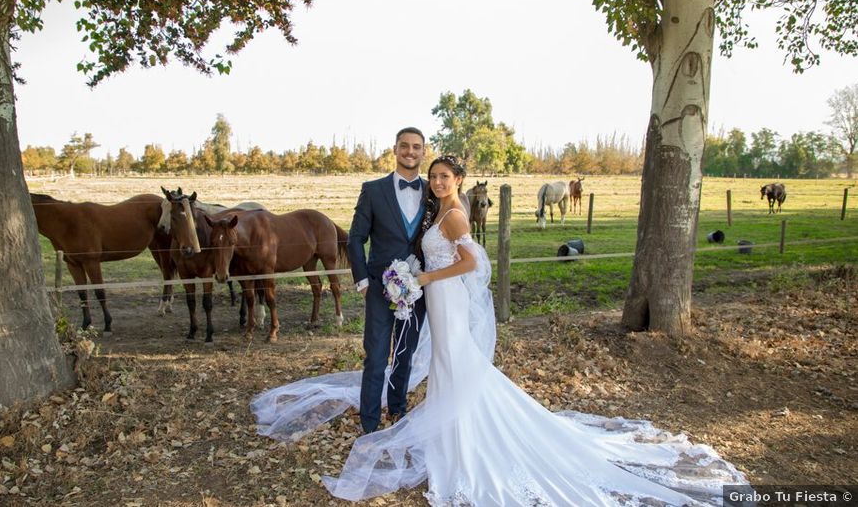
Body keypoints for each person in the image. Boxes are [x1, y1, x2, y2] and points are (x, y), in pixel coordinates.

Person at [320, 155, 748, 505]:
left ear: (459, 179)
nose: (436, 181)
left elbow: (472, 263)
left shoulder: (454, 214)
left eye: (443, 176)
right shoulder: (442, 209)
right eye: (433, 176)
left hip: (444, 295)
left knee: (455, 361)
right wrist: (416, 275)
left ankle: (466, 440)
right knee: (447, 363)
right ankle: (451, 434)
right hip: (437, 296)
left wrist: (425, 279)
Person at [347, 126, 429, 434]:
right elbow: (355, 239)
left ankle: (397, 409)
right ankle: (369, 423)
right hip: (380, 289)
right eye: (404, 146)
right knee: (377, 355)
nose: (410, 151)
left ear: (423, 151)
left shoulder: (432, 191)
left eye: (416, 147)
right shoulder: (373, 190)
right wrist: (363, 281)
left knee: (405, 353)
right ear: (394, 149)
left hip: (418, 290)